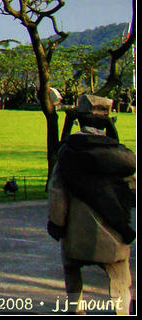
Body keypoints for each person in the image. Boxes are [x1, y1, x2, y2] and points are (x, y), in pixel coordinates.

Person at [47, 126, 136, 314]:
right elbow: (131, 188)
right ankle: (122, 312)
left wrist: (57, 224)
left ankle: (75, 309)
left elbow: (58, 193)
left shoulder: (67, 156)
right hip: (114, 234)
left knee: (72, 270)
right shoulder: (120, 156)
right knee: (119, 278)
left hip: (77, 233)